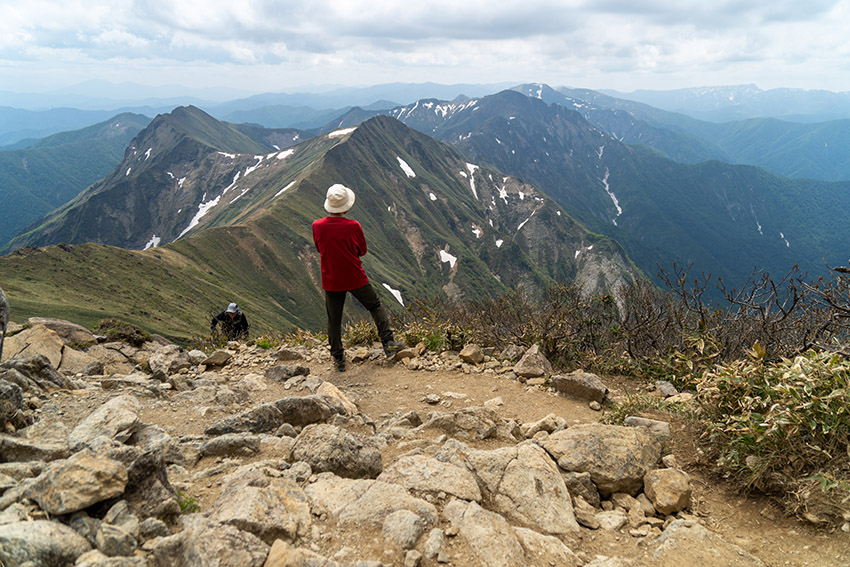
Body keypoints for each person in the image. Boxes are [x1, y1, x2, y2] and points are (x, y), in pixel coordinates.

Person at [312, 184, 401, 371]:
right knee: (375, 306)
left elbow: (320, 248)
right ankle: (389, 344)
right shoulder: (353, 226)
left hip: (332, 278)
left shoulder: (317, 226)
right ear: (346, 206)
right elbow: (362, 250)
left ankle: (338, 358)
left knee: (334, 319)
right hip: (354, 276)